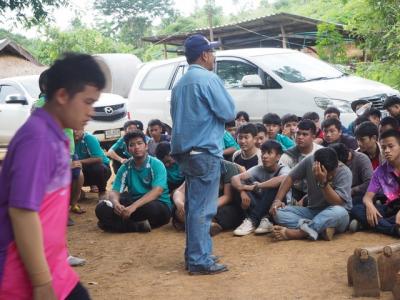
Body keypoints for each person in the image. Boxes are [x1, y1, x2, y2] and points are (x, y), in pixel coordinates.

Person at [0, 53, 105, 299]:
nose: (91, 112)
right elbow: (22, 211)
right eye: (88, 102)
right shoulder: (38, 139)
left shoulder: (56, 135)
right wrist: (41, 281)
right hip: (20, 275)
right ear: (62, 96)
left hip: (54, 268)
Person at [170, 34, 235, 275]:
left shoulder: (180, 84)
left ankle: (196, 255)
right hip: (204, 151)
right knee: (202, 209)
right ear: (205, 54)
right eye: (212, 52)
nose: (214, 56)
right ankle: (199, 260)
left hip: (185, 152)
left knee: (195, 206)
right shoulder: (208, 79)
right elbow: (228, 112)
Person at [95, 130, 172, 232]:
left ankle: (116, 225)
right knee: (102, 207)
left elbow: (157, 191)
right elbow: (115, 191)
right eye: (132, 145)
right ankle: (138, 225)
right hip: (134, 203)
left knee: (151, 209)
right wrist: (116, 204)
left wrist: (133, 207)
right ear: (128, 149)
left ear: (146, 146)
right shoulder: (125, 167)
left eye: (140, 143)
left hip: (157, 204)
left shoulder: (156, 164)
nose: (136, 147)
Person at [270, 148, 352, 241]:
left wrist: (323, 183)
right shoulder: (309, 161)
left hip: (335, 214)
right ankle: (319, 229)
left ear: (336, 165)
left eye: (331, 173)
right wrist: (277, 201)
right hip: (313, 211)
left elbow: (337, 202)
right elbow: (290, 177)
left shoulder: (345, 172)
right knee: (278, 212)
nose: (330, 177)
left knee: (339, 211)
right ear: (315, 165)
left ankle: (298, 233)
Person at [231, 140, 290, 236]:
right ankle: (259, 219)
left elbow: (282, 179)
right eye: (263, 152)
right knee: (239, 185)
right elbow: (235, 178)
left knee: (274, 186)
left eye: (269, 153)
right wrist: (242, 191)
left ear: (278, 157)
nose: (264, 156)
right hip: (262, 205)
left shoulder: (283, 169)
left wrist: (257, 186)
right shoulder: (259, 168)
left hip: (280, 206)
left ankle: (255, 220)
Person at [172, 160, 245, 236]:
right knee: (177, 209)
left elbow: (228, 197)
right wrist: (179, 203)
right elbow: (180, 191)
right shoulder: (196, 168)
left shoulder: (228, 167)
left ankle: (193, 224)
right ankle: (205, 225)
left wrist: (206, 207)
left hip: (222, 205)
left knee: (226, 213)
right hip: (202, 204)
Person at [350, 130, 400, 236]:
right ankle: (394, 229)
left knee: (372, 216)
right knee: (356, 209)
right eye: (383, 147)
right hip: (391, 207)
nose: (386, 150)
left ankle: (368, 224)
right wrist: (370, 205)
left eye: (391, 146)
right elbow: (367, 197)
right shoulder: (380, 171)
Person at [279, 119, 322, 203]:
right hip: (294, 192)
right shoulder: (288, 155)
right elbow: (281, 179)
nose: (300, 137)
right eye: (298, 133)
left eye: (305, 134)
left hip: (318, 191)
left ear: (313, 137)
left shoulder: (321, 152)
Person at [74, 129, 112, 200]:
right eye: (72, 130)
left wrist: (79, 162)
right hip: (81, 169)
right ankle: (78, 191)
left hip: (102, 169)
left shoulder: (89, 138)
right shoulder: (67, 140)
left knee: (98, 167)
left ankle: (102, 192)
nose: (75, 132)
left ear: (82, 129)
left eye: (77, 129)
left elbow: (98, 159)